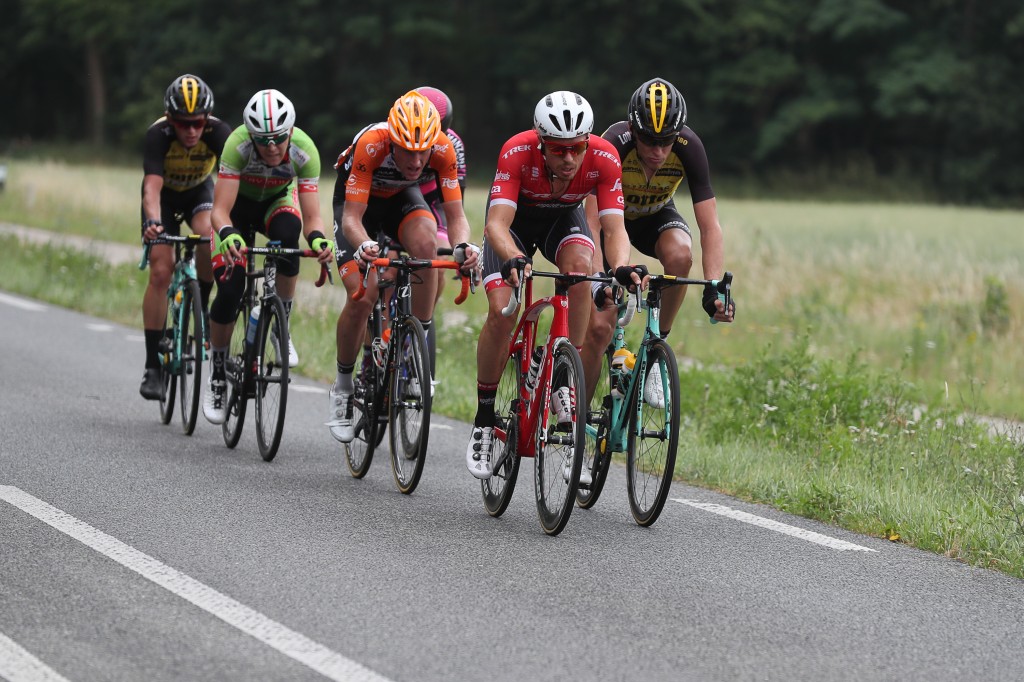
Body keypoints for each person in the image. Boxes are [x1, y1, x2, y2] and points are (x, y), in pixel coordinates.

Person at [465, 90, 647, 482]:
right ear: (541, 141)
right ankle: (483, 416)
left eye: (576, 149)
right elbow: (496, 224)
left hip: (561, 221)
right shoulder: (517, 152)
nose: (569, 159)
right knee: (501, 312)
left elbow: (615, 229)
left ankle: (561, 373)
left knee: (581, 268)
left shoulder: (603, 158)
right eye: (559, 150)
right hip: (512, 226)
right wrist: (514, 257)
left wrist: (620, 267)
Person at [327, 90, 480, 443]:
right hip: (358, 207)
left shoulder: (443, 150)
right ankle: (343, 387)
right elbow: (352, 217)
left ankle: (416, 344)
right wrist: (364, 243)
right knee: (361, 296)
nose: (415, 160)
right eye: (406, 150)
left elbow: (455, 217)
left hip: (400, 200)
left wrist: (462, 247)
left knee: (428, 248)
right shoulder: (371, 143)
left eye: (421, 151)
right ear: (392, 140)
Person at [580, 77, 735, 408]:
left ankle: (653, 351)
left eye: (666, 142)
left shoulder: (689, 147)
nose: (658, 152)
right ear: (633, 132)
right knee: (599, 329)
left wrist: (714, 288)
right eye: (650, 141)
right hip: (612, 222)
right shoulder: (613, 143)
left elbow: (710, 226)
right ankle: (576, 419)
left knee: (681, 254)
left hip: (655, 217)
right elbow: (592, 224)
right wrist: (597, 281)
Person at [202, 88, 334, 425]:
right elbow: (219, 212)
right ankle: (217, 372)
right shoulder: (237, 145)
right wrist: (227, 234)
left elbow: (313, 217)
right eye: (263, 140)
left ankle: (280, 326)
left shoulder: (305, 151)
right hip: (238, 211)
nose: (272, 146)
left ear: (290, 132)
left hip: (275, 202)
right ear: (251, 135)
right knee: (231, 291)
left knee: (290, 236)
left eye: (278, 138)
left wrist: (319, 241)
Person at [139, 74, 231, 400]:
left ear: (206, 119)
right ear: (170, 119)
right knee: (161, 270)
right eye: (183, 124)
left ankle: (200, 306)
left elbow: (232, 178)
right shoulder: (158, 134)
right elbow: (151, 188)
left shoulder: (219, 133)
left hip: (198, 193)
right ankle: (152, 365)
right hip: (163, 199)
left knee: (208, 235)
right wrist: (152, 220)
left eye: (197, 123)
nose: (191, 131)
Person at [414, 85, 468, 377]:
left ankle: (419, 327)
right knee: (387, 272)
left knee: (435, 262)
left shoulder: (452, 145)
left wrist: (460, 248)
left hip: (433, 200)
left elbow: (454, 201)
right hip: (397, 195)